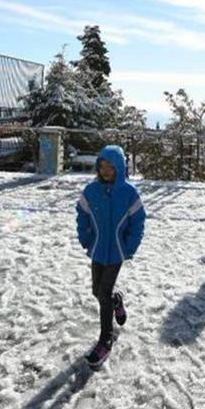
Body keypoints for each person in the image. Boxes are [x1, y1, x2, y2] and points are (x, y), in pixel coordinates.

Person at [76, 145, 146, 368]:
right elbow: (82, 215)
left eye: (111, 166)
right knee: (97, 291)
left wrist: (129, 247)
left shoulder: (129, 193)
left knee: (102, 292)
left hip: (116, 252)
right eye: (102, 166)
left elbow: (138, 223)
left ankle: (105, 339)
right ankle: (117, 300)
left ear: (120, 168)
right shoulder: (91, 190)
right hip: (97, 249)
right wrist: (85, 238)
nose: (106, 170)